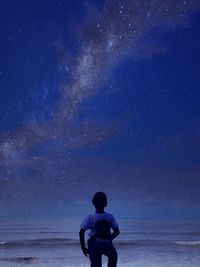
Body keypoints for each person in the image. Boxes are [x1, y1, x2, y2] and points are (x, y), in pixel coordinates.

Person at [79, 192, 120, 267]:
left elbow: (81, 231)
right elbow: (117, 232)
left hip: (94, 244)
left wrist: (83, 248)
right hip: (107, 244)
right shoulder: (110, 216)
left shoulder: (90, 217)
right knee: (113, 257)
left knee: (95, 264)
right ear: (106, 203)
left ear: (93, 203)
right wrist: (109, 238)